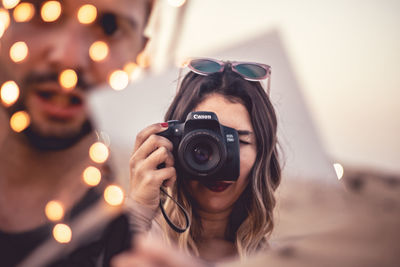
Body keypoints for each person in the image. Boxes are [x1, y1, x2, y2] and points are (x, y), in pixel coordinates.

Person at [0, 0, 153, 266]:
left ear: (139, 52)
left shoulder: (136, 241)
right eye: (42, 11)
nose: (68, 58)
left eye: (110, 27)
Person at [127, 58, 281, 263]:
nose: (218, 157)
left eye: (237, 140)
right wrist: (137, 211)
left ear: (262, 154)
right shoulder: (140, 236)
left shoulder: (275, 259)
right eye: (203, 142)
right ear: (172, 143)